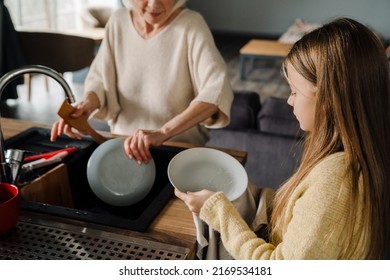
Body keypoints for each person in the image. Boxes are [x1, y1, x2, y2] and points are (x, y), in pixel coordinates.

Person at [175, 18, 390, 259]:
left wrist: (218, 212)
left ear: (330, 101)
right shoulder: (358, 156)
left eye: (295, 92)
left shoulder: (336, 182)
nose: (288, 100)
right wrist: (252, 196)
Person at [50, 0, 233, 164]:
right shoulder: (118, 21)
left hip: (177, 149)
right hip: (122, 145)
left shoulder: (191, 24)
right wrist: (85, 107)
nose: (153, 4)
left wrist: (163, 132)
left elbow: (216, 90)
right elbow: (100, 79)